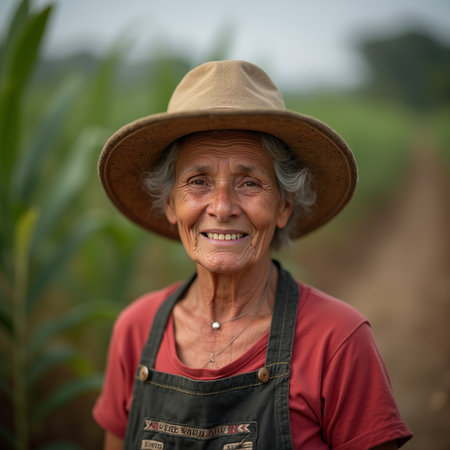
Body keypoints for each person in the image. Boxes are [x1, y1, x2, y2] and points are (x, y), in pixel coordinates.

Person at [93, 60, 412, 449]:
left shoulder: (339, 340)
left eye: (250, 182)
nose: (223, 206)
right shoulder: (135, 330)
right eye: (198, 181)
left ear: (283, 207)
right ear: (170, 204)